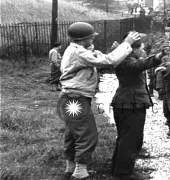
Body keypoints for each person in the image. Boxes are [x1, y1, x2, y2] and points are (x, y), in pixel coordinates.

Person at [57, 22, 140, 179]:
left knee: (73, 133)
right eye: (91, 38)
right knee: (87, 134)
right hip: (75, 99)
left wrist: (116, 50)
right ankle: (80, 173)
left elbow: (102, 58)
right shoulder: (79, 53)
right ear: (85, 38)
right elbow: (107, 61)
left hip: (71, 98)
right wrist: (127, 43)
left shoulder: (74, 50)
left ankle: (70, 168)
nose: (92, 40)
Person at [110, 31, 165, 180]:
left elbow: (139, 64)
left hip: (127, 102)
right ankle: (124, 173)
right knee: (132, 139)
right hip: (130, 103)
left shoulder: (124, 58)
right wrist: (158, 57)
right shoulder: (126, 60)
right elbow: (138, 66)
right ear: (133, 49)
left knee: (125, 138)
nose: (144, 50)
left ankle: (118, 169)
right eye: (141, 48)